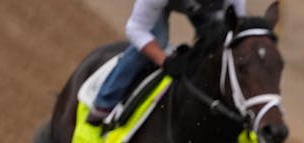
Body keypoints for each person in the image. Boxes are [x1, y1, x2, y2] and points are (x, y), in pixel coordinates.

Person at [87, 0, 247, 125]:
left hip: (204, 8)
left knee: (219, 37)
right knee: (158, 37)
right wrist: (165, 61)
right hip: (161, 5)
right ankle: (104, 102)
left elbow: (238, 33)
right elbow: (135, 28)